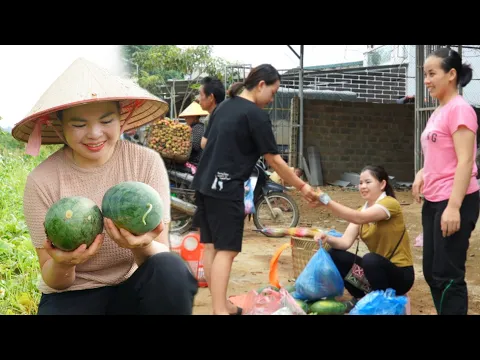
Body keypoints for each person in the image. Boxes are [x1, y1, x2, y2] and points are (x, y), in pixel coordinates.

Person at [12, 57, 199, 315]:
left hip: (131, 289)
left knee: (171, 269)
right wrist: (64, 263)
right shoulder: (42, 180)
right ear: (60, 125)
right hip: (72, 296)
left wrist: (140, 245)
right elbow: (54, 278)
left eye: (106, 120)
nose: (95, 133)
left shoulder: (145, 162)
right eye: (79, 124)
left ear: (122, 118)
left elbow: (159, 254)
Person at [190, 63, 318, 315]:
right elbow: (275, 160)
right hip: (226, 187)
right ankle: (220, 310)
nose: (271, 99)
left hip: (204, 183)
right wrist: (303, 187)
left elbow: (205, 142)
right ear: (261, 85)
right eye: (272, 92)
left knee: (211, 246)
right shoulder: (255, 115)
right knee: (226, 250)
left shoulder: (224, 106)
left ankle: (221, 303)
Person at [412, 47, 479, 315]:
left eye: (431, 74)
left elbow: (465, 161)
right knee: (431, 271)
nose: (426, 80)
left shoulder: (460, 110)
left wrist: (454, 206)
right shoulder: (440, 109)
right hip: (434, 198)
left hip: (456, 199)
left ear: (451, 74)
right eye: (424, 74)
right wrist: (421, 174)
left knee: (447, 274)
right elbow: (439, 153)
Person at [314, 165, 414, 312]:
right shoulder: (362, 210)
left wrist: (326, 201)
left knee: (370, 259)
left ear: (382, 184)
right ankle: (362, 297)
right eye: (360, 183)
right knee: (335, 254)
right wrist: (326, 237)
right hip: (376, 274)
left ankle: (383, 305)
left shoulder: (390, 204)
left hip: (400, 275)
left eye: (368, 182)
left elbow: (359, 218)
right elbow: (344, 243)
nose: (363, 186)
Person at [198, 76, 226, 150]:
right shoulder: (212, 116)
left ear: (210, 97)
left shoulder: (220, 118)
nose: (198, 99)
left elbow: (204, 144)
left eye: (200, 95)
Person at [178, 101, 209, 166]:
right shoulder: (192, 127)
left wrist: (182, 141)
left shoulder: (198, 127)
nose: (185, 119)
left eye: (187, 117)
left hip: (196, 162)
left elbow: (195, 146)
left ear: (194, 117)